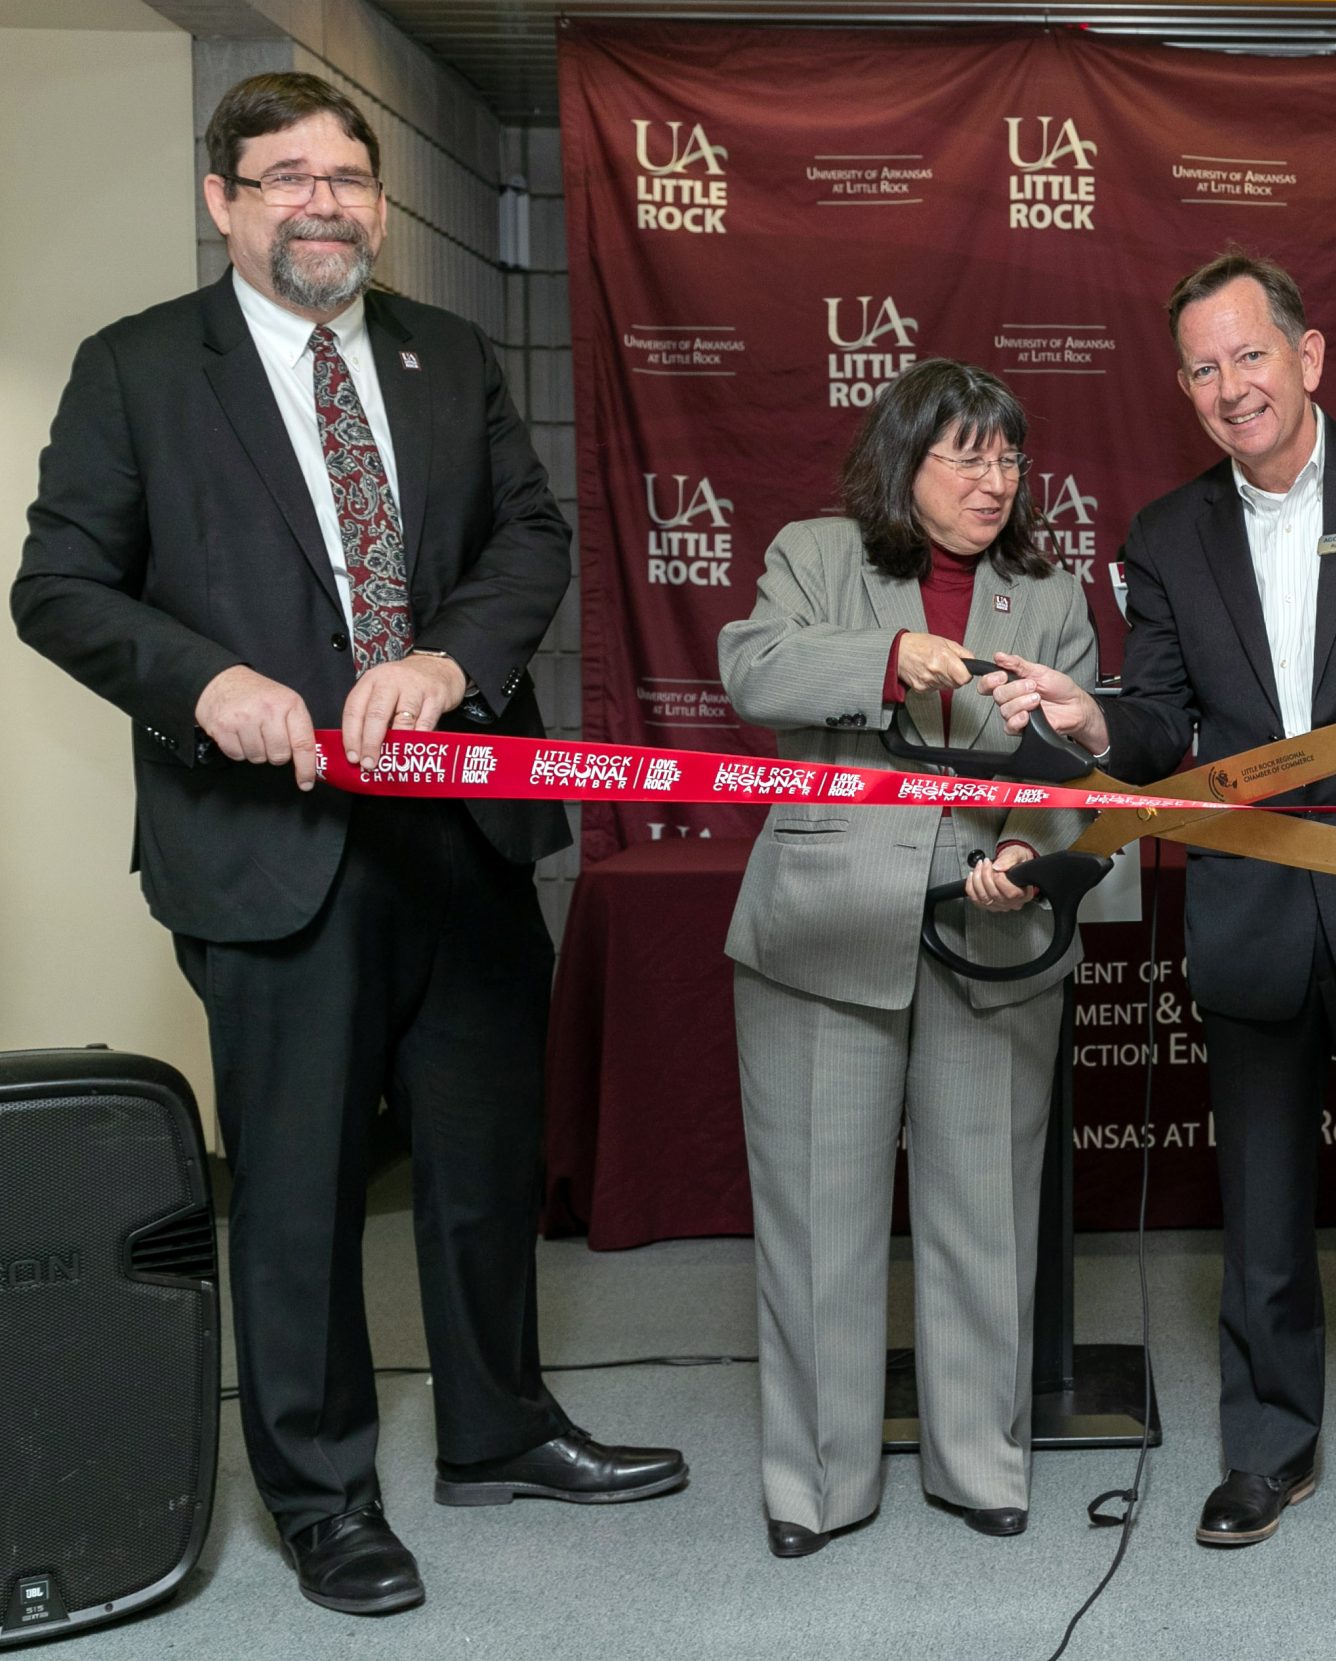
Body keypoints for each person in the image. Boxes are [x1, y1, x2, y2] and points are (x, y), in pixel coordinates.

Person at [10, 72, 684, 1618]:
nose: (325, 201)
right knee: (302, 1187)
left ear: (381, 202)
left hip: (459, 831)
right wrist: (207, 683)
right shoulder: (136, 372)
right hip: (265, 844)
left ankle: (500, 1430)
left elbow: (530, 536)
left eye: (350, 176)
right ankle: (322, 1498)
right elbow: (57, 588)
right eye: (286, 174)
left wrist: (447, 662)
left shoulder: (443, 356)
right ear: (222, 201)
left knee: (476, 1161)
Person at [987, 251, 1336, 1573]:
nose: (1231, 386)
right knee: (1263, 1216)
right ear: (1182, 389)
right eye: (1202, 367)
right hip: (1252, 923)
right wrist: (1090, 717)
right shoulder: (1169, 535)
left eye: (1248, 355)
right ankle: (1265, 1446)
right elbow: (1167, 724)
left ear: (1309, 357)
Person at [719, 358, 1097, 1558]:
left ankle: (980, 1461)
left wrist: (1031, 856)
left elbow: (1076, 764)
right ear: (905, 460)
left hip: (991, 926)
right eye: (967, 456)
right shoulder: (818, 553)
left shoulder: (1050, 588)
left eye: (1010, 458)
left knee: (985, 1207)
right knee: (820, 1218)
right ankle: (816, 1482)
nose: (996, 480)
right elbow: (754, 671)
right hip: (828, 918)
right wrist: (888, 659)